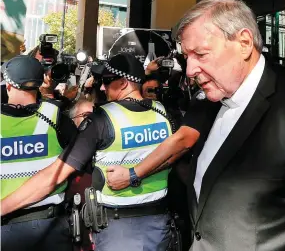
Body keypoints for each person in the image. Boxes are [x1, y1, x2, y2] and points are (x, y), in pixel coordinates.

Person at [107, 0, 285, 251]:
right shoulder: (208, 100)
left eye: (201, 54)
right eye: (187, 57)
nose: (190, 70)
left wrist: (132, 174)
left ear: (244, 43)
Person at [1, 53, 174, 251]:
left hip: (118, 233)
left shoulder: (102, 119)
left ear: (124, 83)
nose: (101, 87)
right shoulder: (163, 113)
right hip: (159, 224)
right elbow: (177, 154)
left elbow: (55, 175)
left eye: (106, 81)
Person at [0, 55, 78, 251]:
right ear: (38, 84)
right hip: (52, 226)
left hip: (6, 229)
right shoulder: (57, 117)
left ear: (8, 86)